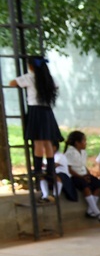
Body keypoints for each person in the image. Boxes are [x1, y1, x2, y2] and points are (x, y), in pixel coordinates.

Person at [9, 56, 63, 202]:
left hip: (35, 111)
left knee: (38, 142)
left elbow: (12, 83)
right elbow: (56, 86)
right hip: (47, 111)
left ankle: (38, 168)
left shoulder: (29, 77)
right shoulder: (48, 79)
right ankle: (50, 167)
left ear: (31, 66)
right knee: (47, 142)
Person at [63, 130, 100, 221]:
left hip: (84, 174)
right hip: (75, 176)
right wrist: (81, 177)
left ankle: (90, 211)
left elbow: (83, 166)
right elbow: (69, 169)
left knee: (98, 185)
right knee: (86, 188)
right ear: (77, 143)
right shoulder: (70, 153)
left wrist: (88, 175)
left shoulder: (83, 152)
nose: (85, 143)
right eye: (84, 141)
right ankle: (97, 212)